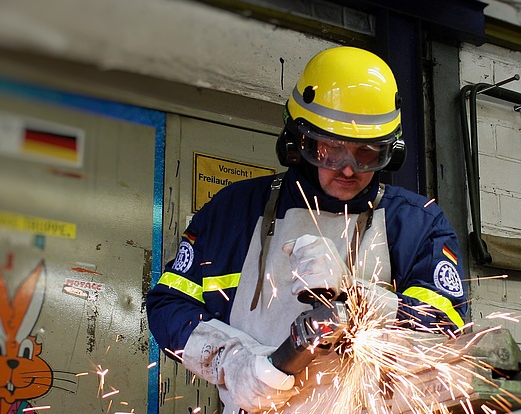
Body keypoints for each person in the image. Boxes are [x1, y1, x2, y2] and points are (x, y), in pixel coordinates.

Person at [146, 46, 467, 413]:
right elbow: (168, 304)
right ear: (298, 142)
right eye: (331, 150)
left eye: (366, 154)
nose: (348, 170)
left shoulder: (415, 223)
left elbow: (447, 329)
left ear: (390, 151)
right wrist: (231, 361)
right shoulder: (235, 211)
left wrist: (361, 298)